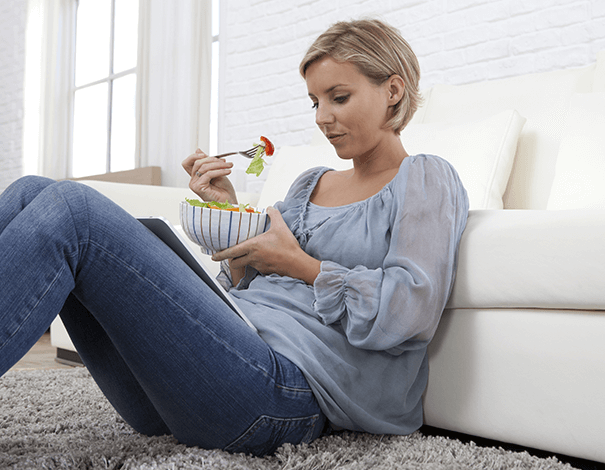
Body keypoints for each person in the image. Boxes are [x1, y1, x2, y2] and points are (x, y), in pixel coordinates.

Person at [0, 18, 468, 456]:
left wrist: (299, 265)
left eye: (338, 97)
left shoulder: (425, 179)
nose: (322, 117)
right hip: (201, 374)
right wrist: (228, 211)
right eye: (315, 102)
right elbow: (244, 284)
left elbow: (411, 313)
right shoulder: (308, 185)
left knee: (73, 211)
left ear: (393, 89)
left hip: (280, 397)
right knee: (30, 190)